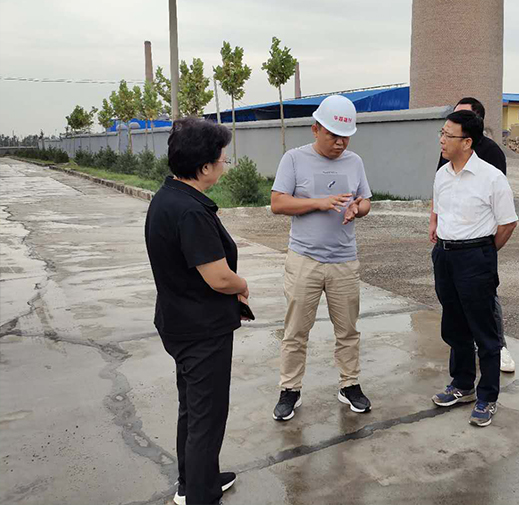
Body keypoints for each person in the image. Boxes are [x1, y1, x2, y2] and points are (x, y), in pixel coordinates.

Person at [144, 118, 247, 505]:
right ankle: (201, 495)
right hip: (201, 331)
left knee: (192, 408)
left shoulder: (167, 197)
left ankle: (192, 481)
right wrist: (242, 284)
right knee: (207, 417)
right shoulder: (190, 212)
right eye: (222, 160)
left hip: (179, 322)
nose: (225, 166)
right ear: (204, 167)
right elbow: (218, 277)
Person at [270, 94, 373, 422]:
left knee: (348, 330)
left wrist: (357, 208)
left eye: (346, 137)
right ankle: (290, 389)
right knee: (296, 331)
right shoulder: (294, 159)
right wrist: (319, 202)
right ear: (315, 129)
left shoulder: (354, 162)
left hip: (344, 261)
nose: (340, 143)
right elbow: (278, 203)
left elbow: (366, 200)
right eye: (333, 135)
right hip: (305, 260)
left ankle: (349, 384)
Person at [430, 110, 518, 427]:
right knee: (454, 325)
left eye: (448, 135)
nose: (442, 140)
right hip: (445, 256)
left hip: (475, 257)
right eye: (442, 133)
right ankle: (462, 384)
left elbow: (508, 223)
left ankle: (487, 397)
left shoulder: (492, 178)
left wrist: (482, 253)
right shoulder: (442, 174)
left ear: (467, 142)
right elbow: (439, 211)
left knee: (484, 330)